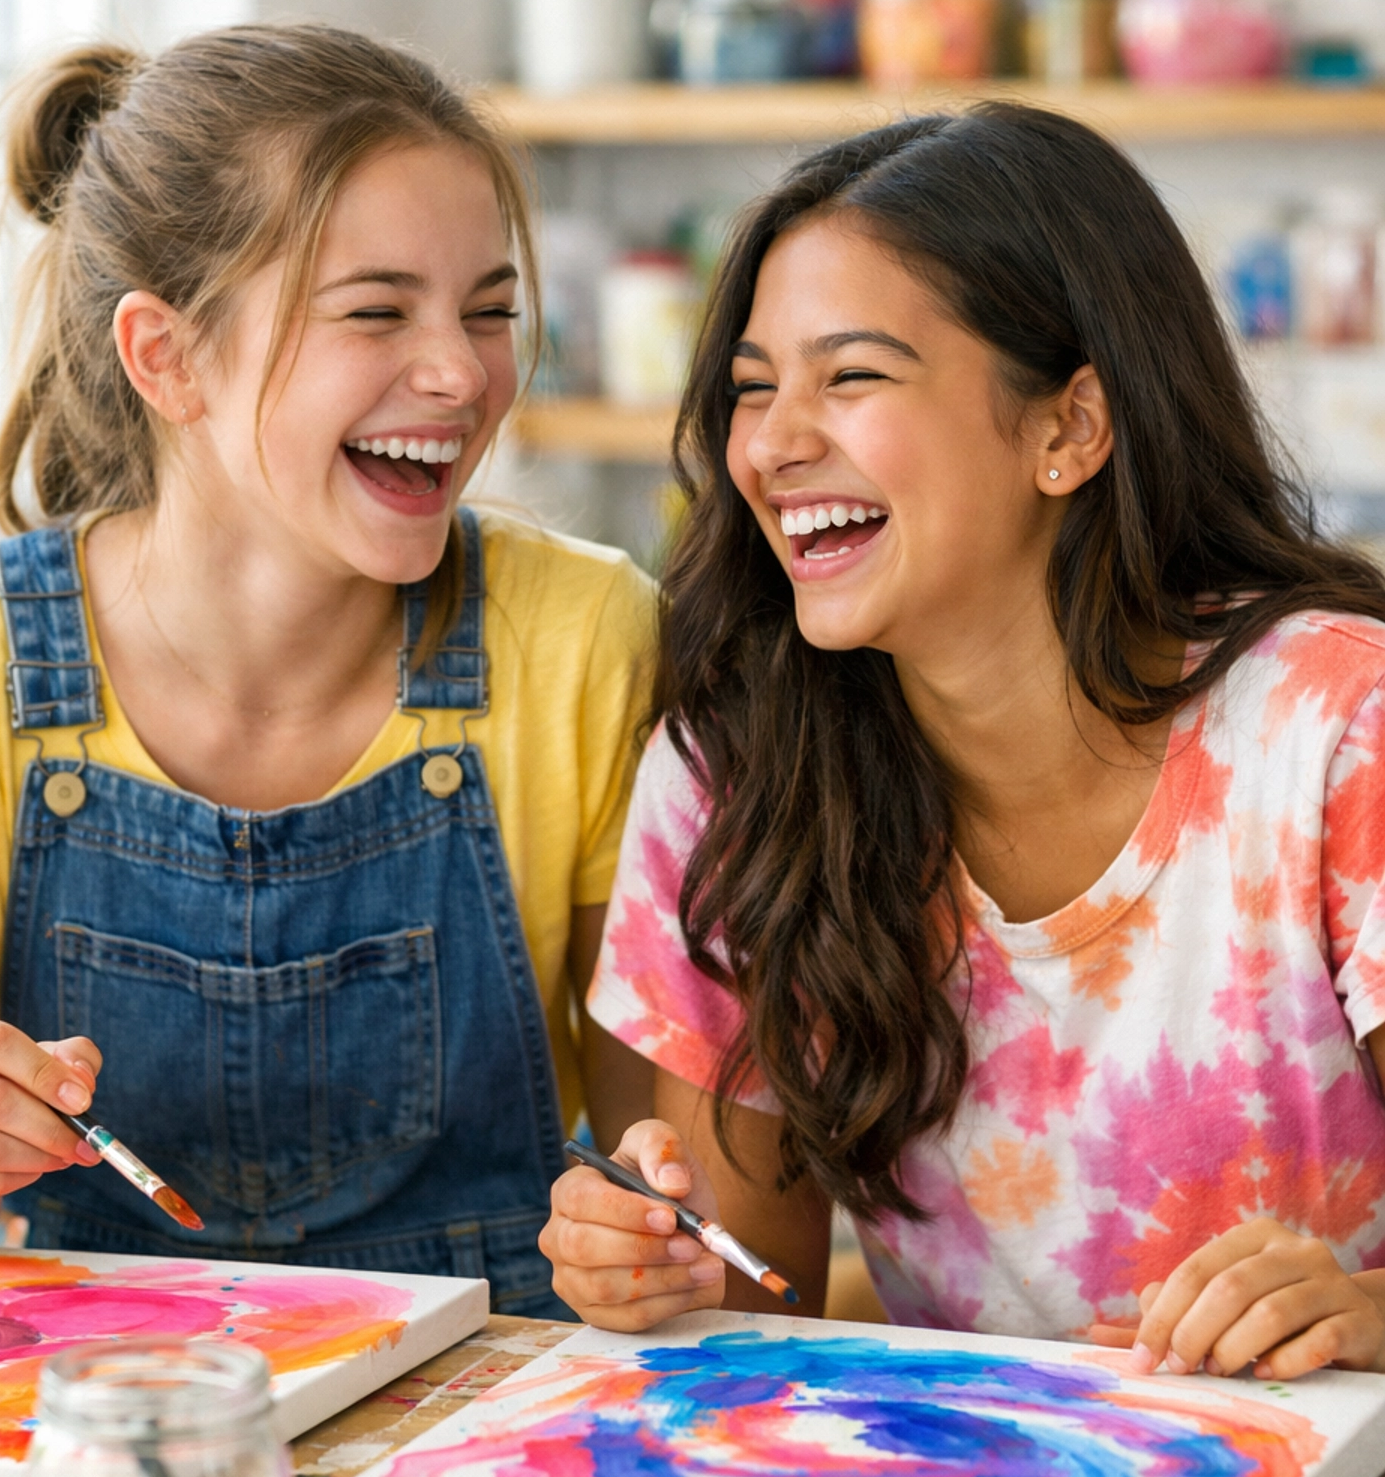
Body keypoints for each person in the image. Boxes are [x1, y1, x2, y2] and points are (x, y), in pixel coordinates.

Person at [542, 103, 1385, 1380]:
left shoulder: (1340, 734)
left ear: (1069, 429)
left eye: (854, 376)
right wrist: (654, 1262)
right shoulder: (736, 775)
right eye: (753, 388)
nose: (771, 445)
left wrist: (1369, 1321)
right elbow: (749, 1314)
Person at [0, 24, 653, 1314]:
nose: (461, 371)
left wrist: (644, 1231)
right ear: (167, 357)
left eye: (491, 310)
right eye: (376, 311)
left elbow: (651, 1171)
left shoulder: (584, 635)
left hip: (488, 1427)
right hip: (95, 1414)